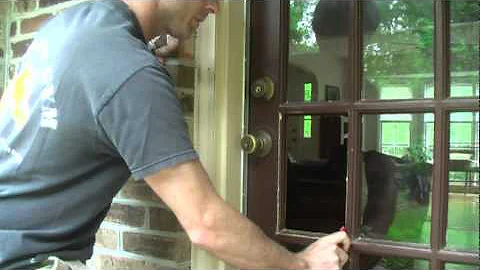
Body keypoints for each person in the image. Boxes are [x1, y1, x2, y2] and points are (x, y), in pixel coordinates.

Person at [0, 0, 351, 269]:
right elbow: (205, 225)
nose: (215, 6)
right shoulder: (129, 71)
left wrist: (139, 59)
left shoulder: (69, 25)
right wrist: (300, 263)